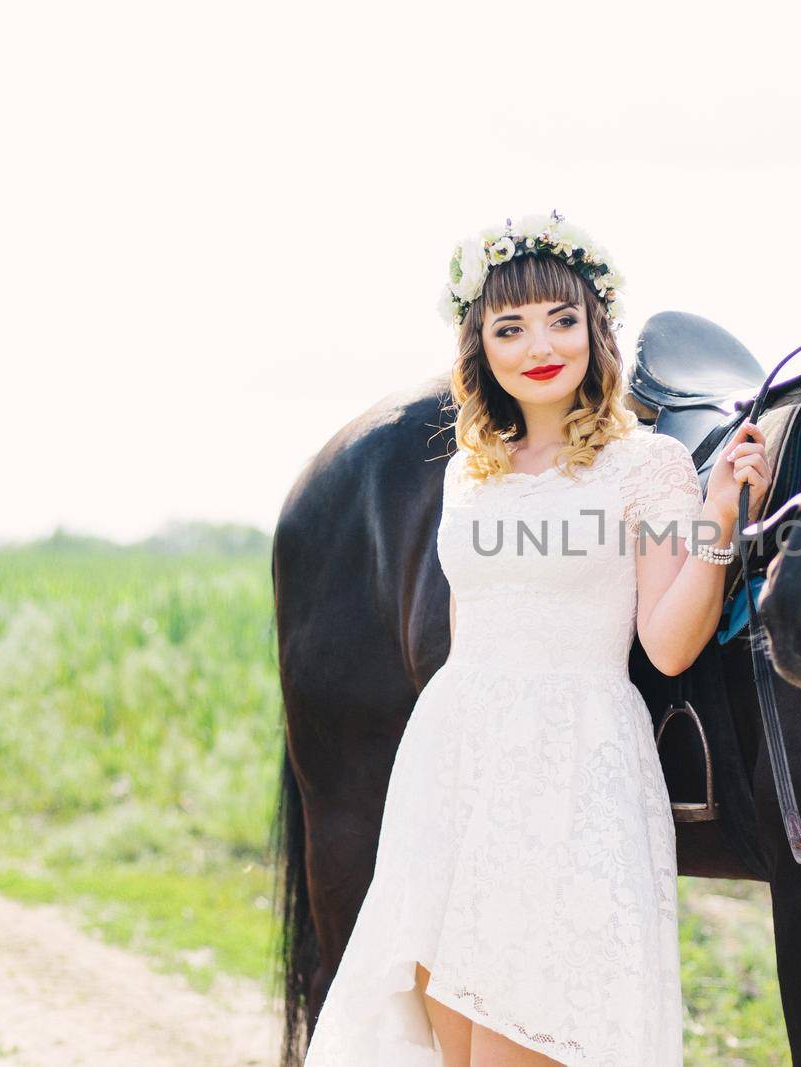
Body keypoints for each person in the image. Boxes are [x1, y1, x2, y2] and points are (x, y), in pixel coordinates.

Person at [301, 210, 770, 1066]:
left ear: (596, 327)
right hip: (453, 774)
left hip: (571, 776)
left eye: (562, 319)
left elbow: (667, 646)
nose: (539, 345)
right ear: (479, 347)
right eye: (508, 328)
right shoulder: (465, 475)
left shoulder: (648, 464)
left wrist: (719, 522)